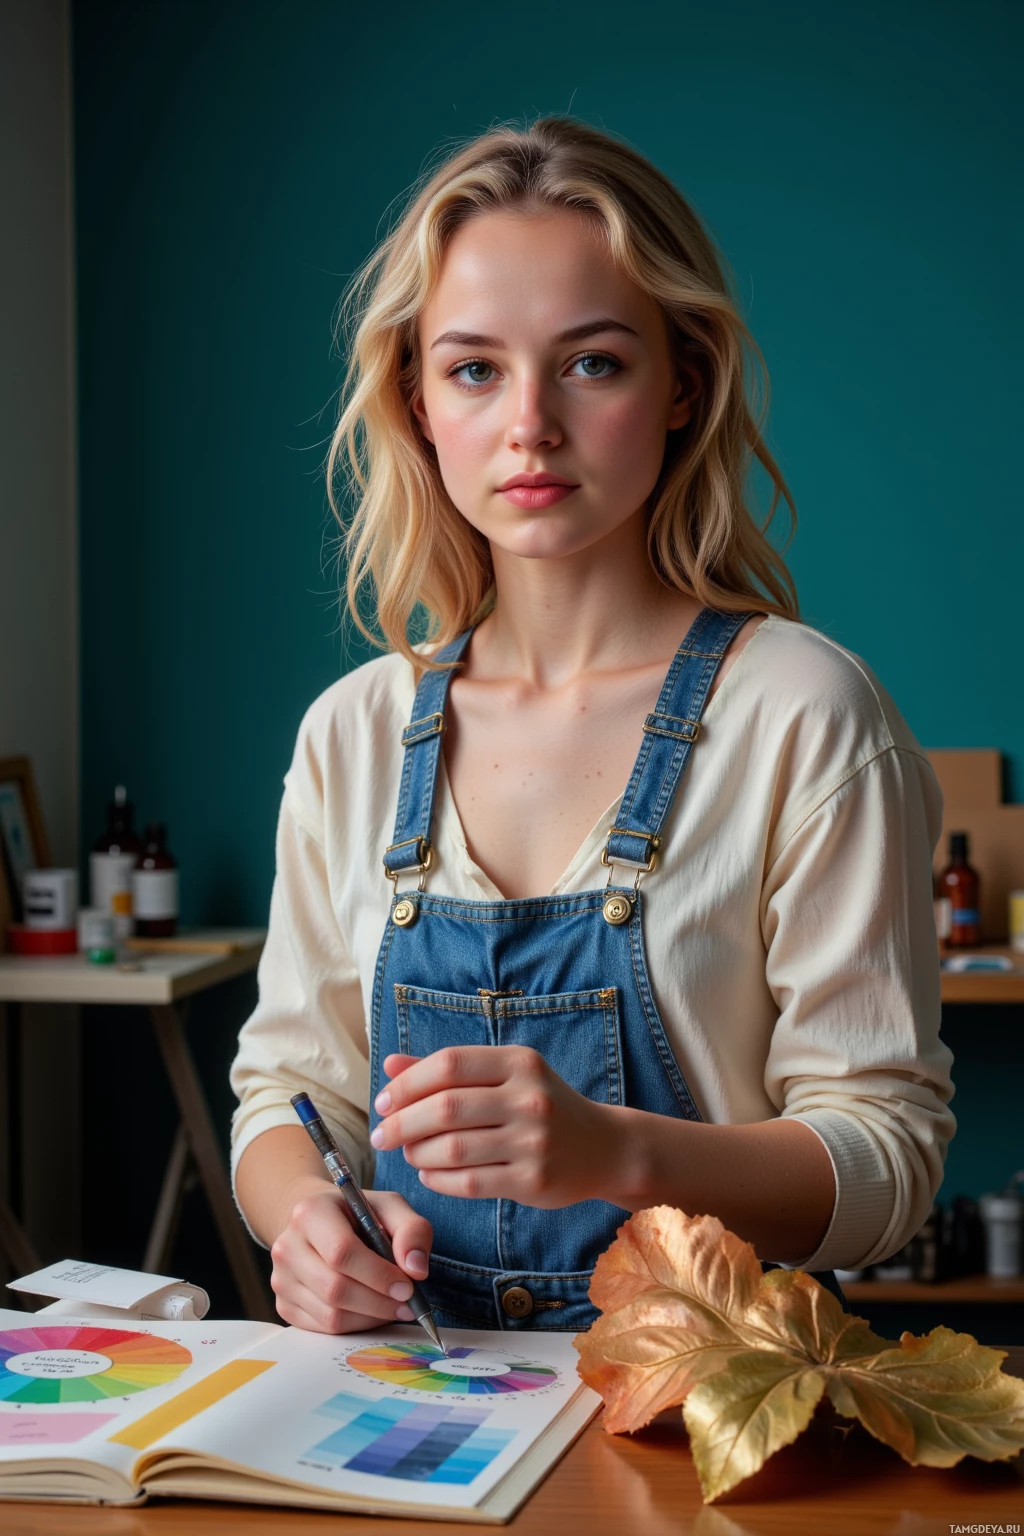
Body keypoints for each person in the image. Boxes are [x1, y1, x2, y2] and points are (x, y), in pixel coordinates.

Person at [230, 116, 955, 1334]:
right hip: (412, 1425)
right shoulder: (352, 732)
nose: (529, 424)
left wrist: (616, 1150)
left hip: (706, 1437)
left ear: (684, 382)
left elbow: (885, 1164)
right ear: (415, 398)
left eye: (591, 362)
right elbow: (287, 1095)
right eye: (474, 368)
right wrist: (304, 1218)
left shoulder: (805, 713)